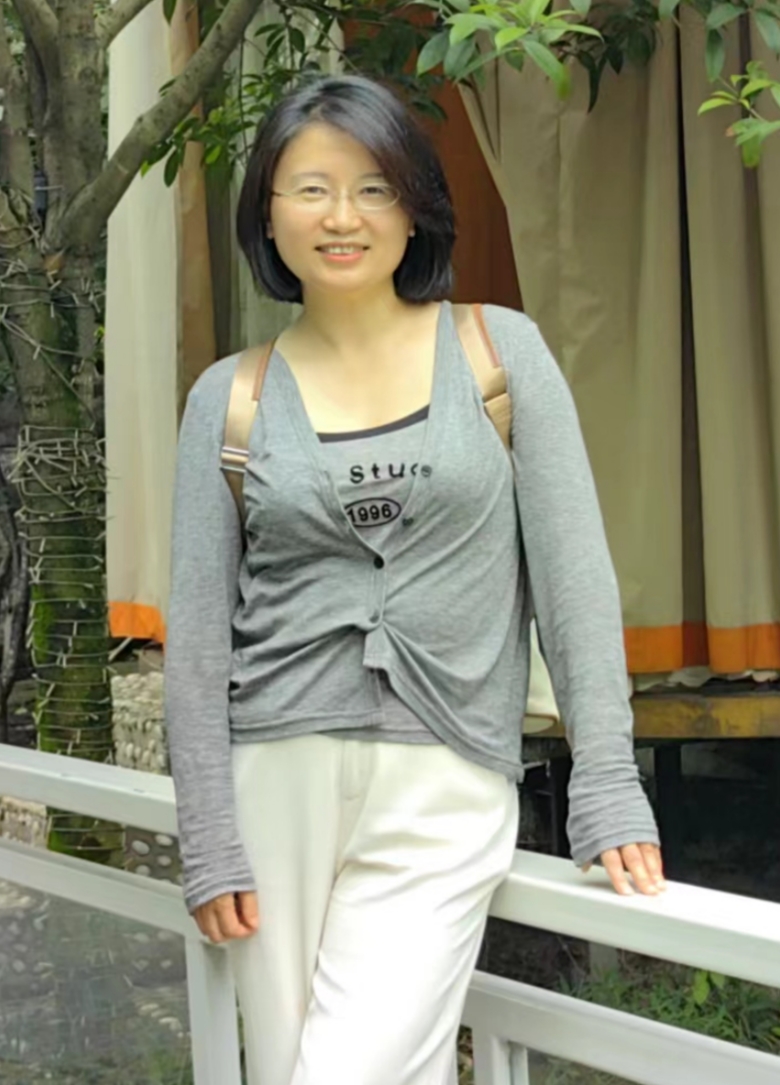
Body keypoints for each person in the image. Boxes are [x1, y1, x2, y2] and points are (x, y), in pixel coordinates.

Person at [164, 74, 664, 1085]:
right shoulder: (229, 396)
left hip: (447, 776)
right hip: (273, 777)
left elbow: (574, 580)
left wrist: (607, 779)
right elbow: (200, 638)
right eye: (312, 189)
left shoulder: (498, 353)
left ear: (414, 207)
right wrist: (208, 833)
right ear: (269, 210)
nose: (342, 217)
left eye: (373, 188)